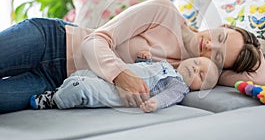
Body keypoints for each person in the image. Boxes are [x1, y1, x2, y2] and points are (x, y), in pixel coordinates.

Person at [0, 0, 265, 114]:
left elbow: (263, 81)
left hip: (54, 83)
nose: (210, 46)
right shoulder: (164, 12)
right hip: (51, 40)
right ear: (221, 26)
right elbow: (96, 40)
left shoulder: (184, 74)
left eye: (219, 56)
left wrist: (256, 50)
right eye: (219, 37)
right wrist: (120, 76)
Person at [30, 51, 219, 112]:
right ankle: (56, 93)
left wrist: (155, 103)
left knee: (84, 87)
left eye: (200, 75)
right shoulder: (167, 64)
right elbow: (142, 70)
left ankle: (54, 101)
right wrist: (143, 60)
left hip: (118, 94)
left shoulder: (179, 86)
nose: (195, 68)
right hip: (118, 76)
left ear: (198, 88)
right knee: (84, 73)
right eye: (196, 63)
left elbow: (169, 97)